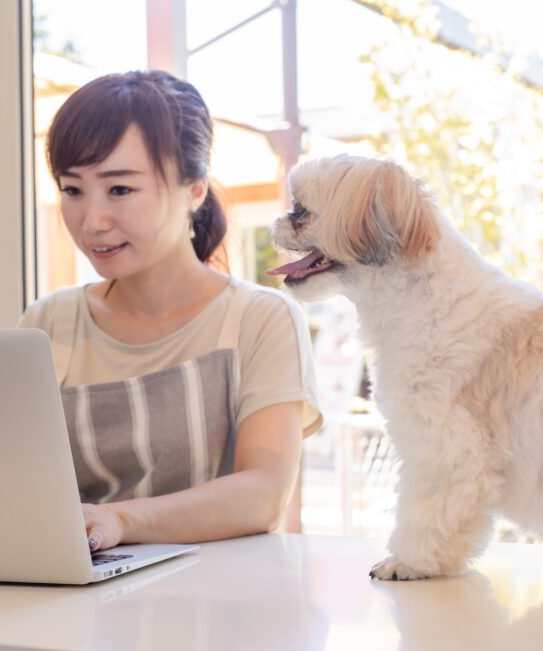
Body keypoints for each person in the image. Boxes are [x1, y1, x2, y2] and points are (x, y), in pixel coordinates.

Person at [18, 70, 322, 552]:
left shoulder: (260, 319)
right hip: (77, 595)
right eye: (72, 190)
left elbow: (264, 494)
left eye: (120, 189)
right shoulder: (46, 324)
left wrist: (120, 520)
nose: (92, 222)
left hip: (222, 593)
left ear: (194, 189)